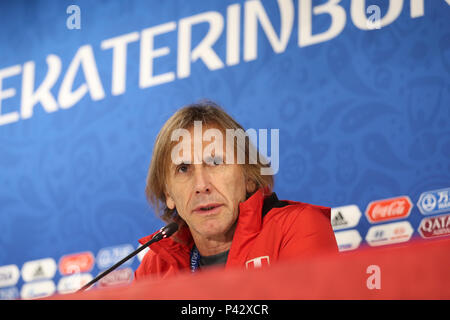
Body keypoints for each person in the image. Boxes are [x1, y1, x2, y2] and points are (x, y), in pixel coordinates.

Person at [134, 100, 338, 281]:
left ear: (248, 177)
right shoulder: (156, 268)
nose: (201, 185)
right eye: (184, 168)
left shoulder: (296, 228)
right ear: (169, 194)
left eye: (215, 162)